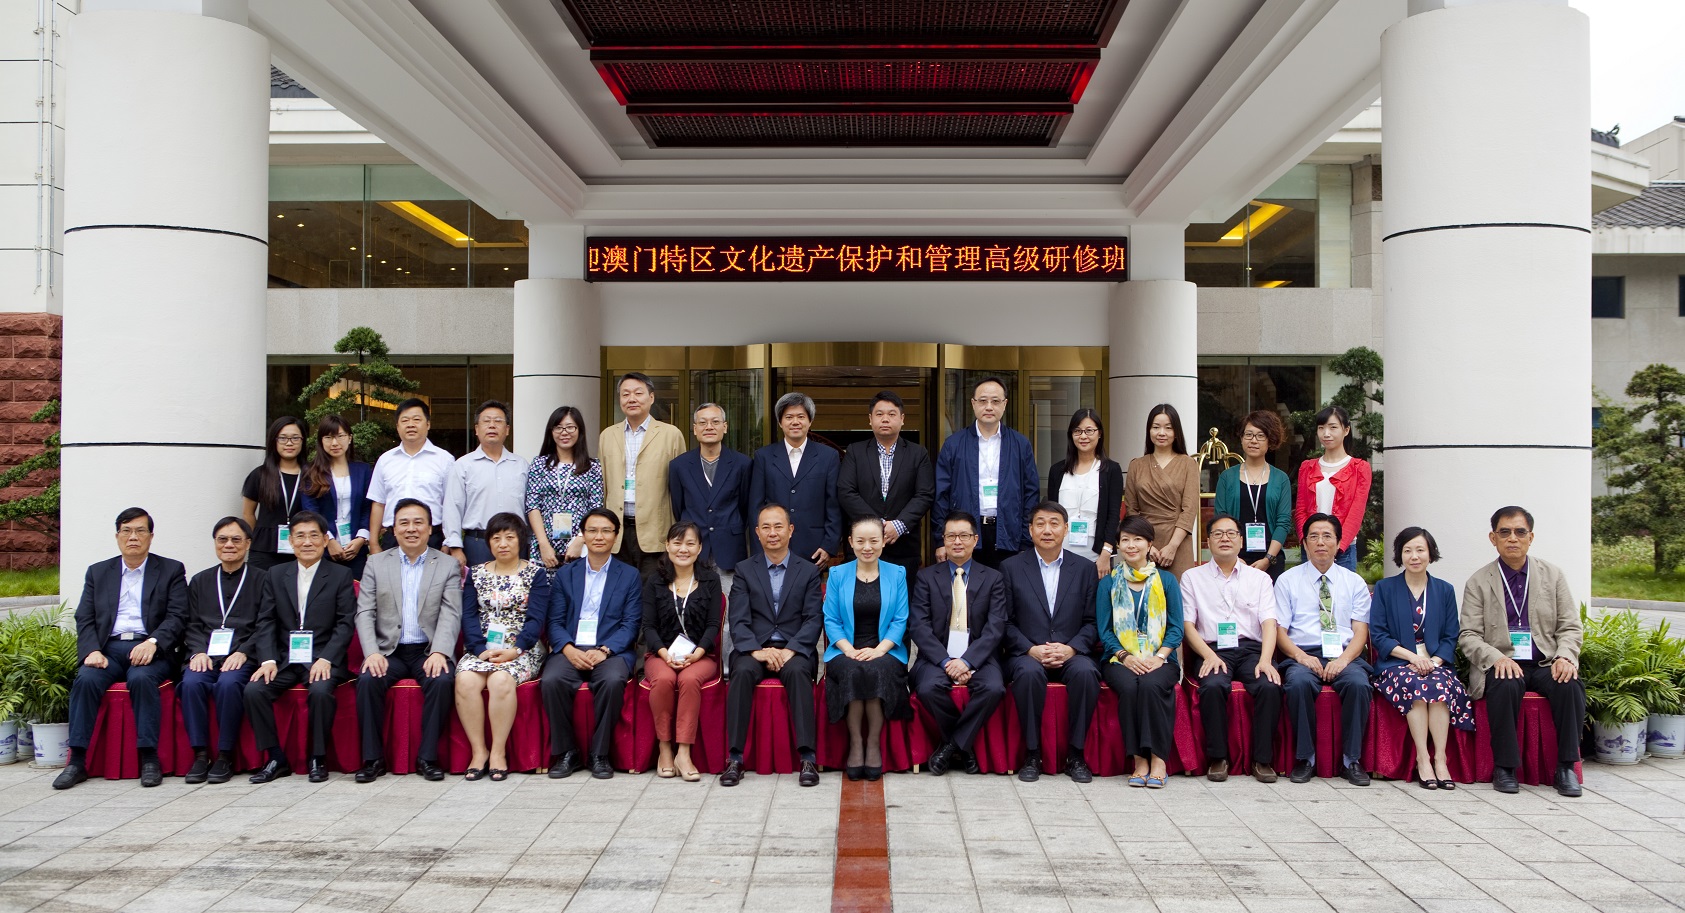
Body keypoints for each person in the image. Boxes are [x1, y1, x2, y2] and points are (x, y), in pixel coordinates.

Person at [55, 508, 189, 790]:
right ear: (117, 536)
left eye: (140, 531)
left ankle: (149, 759)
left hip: (151, 648)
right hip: (109, 648)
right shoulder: (98, 572)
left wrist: (153, 642)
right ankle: (77, 761)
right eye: (126, 531)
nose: (133, 537)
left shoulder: (171, 570)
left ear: (151, 536)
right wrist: (91, 650)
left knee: (142, 678)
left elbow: (178, 616)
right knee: (86, 679)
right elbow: (85, 617)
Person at [1459, 506, 1584, 798]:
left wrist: (1565, 657)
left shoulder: (1553, 575)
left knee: (1570, 685)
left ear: (1531, 537)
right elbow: (1469, 635)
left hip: (1545, 662)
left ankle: (1566, 767)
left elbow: (1570, 626)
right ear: (1493, 538)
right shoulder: (1479, 581)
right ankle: (1505, 768)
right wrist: (1496, 658)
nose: (1512, 538)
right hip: (1502, 662)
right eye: (1504, 532)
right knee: (1505, 684)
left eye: (1519, 532)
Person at [244, 510, 357, 784]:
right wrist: (268, 659)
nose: (307, 542)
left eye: (314, 536)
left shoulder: (341, 575)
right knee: (253, 690)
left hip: (322, 658)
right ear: (291, 541)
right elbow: (266, 620)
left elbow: (345, 623)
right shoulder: (275, 574)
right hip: (284, 658)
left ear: (325, 540)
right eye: (300, 536)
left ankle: (318, 757)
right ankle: (275, 757)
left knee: (320, 691)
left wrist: (327, 658)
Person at [354, 498, 461, 782]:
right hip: (388, 651)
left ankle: (427, 758)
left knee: (442, 681)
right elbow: (364, 612)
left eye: (418, 523)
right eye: (404, 523)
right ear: (393, 529)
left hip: (427, 650)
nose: (411, 529)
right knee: (368, 680)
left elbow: (451, 613)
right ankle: (373, 759)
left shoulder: (447, 564)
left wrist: (440, 651)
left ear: (430, 528)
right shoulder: (376, 563)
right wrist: (372, 653)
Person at [720, 503, 825, 788]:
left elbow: (813, 618)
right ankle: (735, 758)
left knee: (798, 672)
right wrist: (757, 650)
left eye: (778, 526)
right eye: (766, 527)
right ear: (757, 532)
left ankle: (807, 757)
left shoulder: (808, 571)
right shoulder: (744, 570)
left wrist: (791, 649)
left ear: (791, 530)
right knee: (741, 672)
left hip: (794, 649)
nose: (772, 533)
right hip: (755, 648)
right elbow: (738, 618)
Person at [1000, 501, 1101, 783]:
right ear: (1030, 530)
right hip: (1027, 653)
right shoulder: (1010, 567)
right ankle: (1032, 754)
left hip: (1071, 651)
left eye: (1054, 524)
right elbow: (1004, 622)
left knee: (1086, 672)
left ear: (1066, 529)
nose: (1047, 530)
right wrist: (1030, 649)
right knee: (1028, 674)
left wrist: (1071, 648)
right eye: (1040, 524)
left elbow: (1092, 621)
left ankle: (1076, 754)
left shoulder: (1085, 569)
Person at [540, 507, 642, 780]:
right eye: (593, 530)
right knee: (552, 680)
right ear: (583, 535)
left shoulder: (629, 575)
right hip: (571, 647)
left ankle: (600, 753)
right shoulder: (566, 574)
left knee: (612, 681)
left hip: (610, 650)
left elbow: (631, 623)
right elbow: (554, 621)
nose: (599, 536)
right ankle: (567, 753)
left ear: (616, 536)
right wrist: (568, 649)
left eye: (606, 531)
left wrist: (605, 650)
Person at [1180, 513, 1283, 783]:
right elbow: (1188, 625)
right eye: (1218, 534)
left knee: (1269, 686)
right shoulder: (1192, 577)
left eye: (1231, 533)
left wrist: (1266, 660)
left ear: (1241, 541)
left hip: (1251, 650)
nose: (1224, 538)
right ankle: (1218, 758)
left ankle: (1262, 760)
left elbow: (1269, 623)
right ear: (1208, 542)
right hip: (1212, 649)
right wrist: (1208, 655)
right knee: (1213, 686)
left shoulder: (1259, 578)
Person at [1273, 512, 1373, 785]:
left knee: (1358, 685)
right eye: (1313, 536)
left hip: (1344, 654)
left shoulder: (1354, 582)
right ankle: (1305, 758)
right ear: (1304, 543)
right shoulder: (1287, 580)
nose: (1320, 542)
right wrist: (1301, 657)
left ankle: (1351, 761)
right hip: (1303, 653)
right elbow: (1280, 631)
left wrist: (1343, 660)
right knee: (1298, 684)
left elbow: (1360, 632)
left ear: (1339, 543)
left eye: (1327, 536)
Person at [1371, 526, 1473, 791]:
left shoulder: (1445, 590)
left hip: (1436, 662)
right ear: (1399, 555)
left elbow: (1451, 636)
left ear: (1430, 553)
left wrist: (1434, 662)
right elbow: (1379, 635)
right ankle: (1423, 758)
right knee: (1415, 684)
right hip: (1396, 662)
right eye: (1407, 550)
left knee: (1439, 684)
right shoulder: (1385, 588)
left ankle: (1441, 759)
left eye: (1420, 550)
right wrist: (1412, 659)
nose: (1414, 556)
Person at [908, 512, 1008, 777]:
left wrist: (967, 661)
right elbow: (919, 626)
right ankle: (965, 747)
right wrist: (945, 661)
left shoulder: (993, 578)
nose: (957, 542)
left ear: (975, 539)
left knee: (994, 688)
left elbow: (996, 627)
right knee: (927, 688)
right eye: (951, 536)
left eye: (964, 536)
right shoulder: (926, 577)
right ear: (943, 540)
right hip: (936, 657)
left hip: (979, 657)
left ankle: (951, 745)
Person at [456, 511, 549, 781]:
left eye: (509, 537)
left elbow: (536, 619)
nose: (503, 544)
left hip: (521, 649)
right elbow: (469, 616)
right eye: (496, 538)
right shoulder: (476, 574)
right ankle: (479, 752)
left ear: (521, 540)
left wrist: (516, 649)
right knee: (465, 681)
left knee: (500, 680)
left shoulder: (535, 573)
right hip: (482, 648)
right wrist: (479, 650)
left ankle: (498, 752)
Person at [823, 518, 912, 781]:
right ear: (851, 543)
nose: (867, 547)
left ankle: (873, 743)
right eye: (860, 541)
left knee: (874, 670)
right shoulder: (838, 574)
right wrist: (848, 650)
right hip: (845, 649)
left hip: (886, 649)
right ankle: (856, 743)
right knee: (852, 670)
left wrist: (879, 650)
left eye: (874, 541)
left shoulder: (897, 574)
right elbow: (831, 620)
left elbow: (900, 619)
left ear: (883, 542)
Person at [1098, 515, 1183, 788]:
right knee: (1129, 686)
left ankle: (1158, 759)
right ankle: (1139, 760)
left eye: (1138, 539)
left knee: (1150, 685)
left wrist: (1159, 658)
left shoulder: (1167, 581)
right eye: (1125, 540)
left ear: (1149, 544)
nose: (1131, 545)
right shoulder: (1108, 583)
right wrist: (1126, 657)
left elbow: (1176, 628)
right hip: (1118, 659)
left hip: (1162, 659)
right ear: (1118, 545)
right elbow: (1105, 630)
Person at [180, 517, 263, 785]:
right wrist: (197, 652)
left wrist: (245, 652)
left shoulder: (263, 579)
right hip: (206, 654)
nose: (229, 545)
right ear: (215, 543)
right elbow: (191, 624)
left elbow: (266, 623)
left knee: (229, 684)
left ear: (248, 544)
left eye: (236, 539)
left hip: (241, 655)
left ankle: (225, 755)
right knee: (191, 682)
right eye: (222, 539)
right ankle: (200, 755)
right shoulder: (200, 580)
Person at [642, 521, 723, 782]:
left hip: (700, 655)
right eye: (677, 543)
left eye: (690, 543)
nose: (683, 549)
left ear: (699, 548)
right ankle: (665, 747)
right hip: (661, 654)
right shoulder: (654, 581)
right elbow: (648, 626)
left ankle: (684, 752)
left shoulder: (710, 580)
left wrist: (698, 652)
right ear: (667, 546)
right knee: (664, 678)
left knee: (688, 679)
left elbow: (713, 625)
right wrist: (663, 653)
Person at [935, 377, 1039, 570]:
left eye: (995, 401)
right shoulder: (954, 444)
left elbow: (1031, 494)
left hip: (1009, 533)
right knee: (966, 586)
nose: (989, 407)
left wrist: (1026, 540)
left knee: (1006, 586)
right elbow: (941, 495)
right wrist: (940, 540)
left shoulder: (1020, 444)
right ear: (973, 404)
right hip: (964, 533)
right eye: (983, 401)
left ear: (1005, 404)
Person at [599, 372, 686, 577]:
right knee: (619, 589)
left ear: (651, 397)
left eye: (638, 393)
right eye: (625, 394)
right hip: (617, 531)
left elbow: (681, 487)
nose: (631, 399)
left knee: (652, 590)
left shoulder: (671, 434)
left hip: (656, 531)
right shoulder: (607, 435)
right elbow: (603, 486)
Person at [837, 391, 934, 574]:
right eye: (879, 414)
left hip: (904, 547)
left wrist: (899, 525)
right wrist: (876, 524)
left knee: (903, 592)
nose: (885, 419)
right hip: (863, 546)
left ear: (902, 419)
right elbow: (846, 491)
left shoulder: (918, 453)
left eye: (891, 414)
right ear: (870, 419)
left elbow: (924, 494)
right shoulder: (855, 452)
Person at [752, 391, 842, 566]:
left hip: (814, 548)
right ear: (780, 422)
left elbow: (834, 505)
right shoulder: (764, 456)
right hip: (772, 546)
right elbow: (755, 505)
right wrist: (759, 547)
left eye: (801, 416)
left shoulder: (828, 456)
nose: (795, 422)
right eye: (789, 417)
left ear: (810, 421)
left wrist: (829, 545)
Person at [669, 402, 752, 590]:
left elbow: (745, 507)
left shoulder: (742, 464)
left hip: (729, 547)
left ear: (725, 427)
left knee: (729, 604)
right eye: (703, 422)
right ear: (695, 429)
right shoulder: (679, 466)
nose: (709, 427)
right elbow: (678, 506)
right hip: (693, 547)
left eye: (715, 422)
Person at [444, 400, 528, 568]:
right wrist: (455, 547)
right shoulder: (463, 465)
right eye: (486, 421)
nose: (492, 426)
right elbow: (452, 507)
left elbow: (530, 508)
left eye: (498, 421)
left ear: (507, 429)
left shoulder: (521, 465)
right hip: (478, 544)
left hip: (516, 543)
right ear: (476, 429)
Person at [368, 398, 454, 552]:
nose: (410, 425)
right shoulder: (385, 460)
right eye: (405, 420)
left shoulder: (445, 460)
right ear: (397, 426)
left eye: (416, 419)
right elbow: (379, 503)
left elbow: (451, 504)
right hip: (393, 538)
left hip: (432, 538)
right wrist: (374, 543)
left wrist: (448, 543)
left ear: (428, 424)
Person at [1214, 410, 1292, 580]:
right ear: (1242, 438)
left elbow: (1283, 522)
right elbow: (1220, 518)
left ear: (1270, 440)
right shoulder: (1227, 477)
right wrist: (1234, 558)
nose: (1253, 440)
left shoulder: (1281, 479)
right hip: (1234, 556)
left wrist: (1268, 559)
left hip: (1270, 556)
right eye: (1248, 434)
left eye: (1260, 436)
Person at [1123, 404, 1200, 577]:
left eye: (1168, 428)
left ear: (1176, 432)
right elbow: (1131, 510)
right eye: (1156, 427)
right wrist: (1146, 545)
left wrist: (1172, 546)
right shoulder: (1136, 465)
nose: (1161, 433)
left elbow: (1189, 510)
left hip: (1178, 541)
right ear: (1149, 430)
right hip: (1143, 543)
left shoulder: (1188, 464)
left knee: (1177, 591)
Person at [1293, 405, 1372, 572]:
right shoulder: (1307, 467)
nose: (1326, 433)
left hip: (1343, 550)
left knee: (1341, 590)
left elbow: (1356, 513)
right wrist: (1306, 542)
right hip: (1311, 548)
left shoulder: (1360, 468)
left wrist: (1338, 547)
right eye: (1321, 428)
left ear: (1346, 430)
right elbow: (1300, 509)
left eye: (1333, 427)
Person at [523, 405, 604, 569]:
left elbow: (596, 508)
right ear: (551, 431)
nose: (564, 432)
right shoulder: (539, 464)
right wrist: (543, 544)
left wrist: (580, 540)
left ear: (579, 430)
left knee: (577, 584)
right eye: (558, 427)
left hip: (580, 546)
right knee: (544, 584)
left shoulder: (593, 467)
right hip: (545, 546)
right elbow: (533, 505)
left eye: (570, 427)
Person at [1047, 408, 1124, 577]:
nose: (1083, 436)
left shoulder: (1111, 470)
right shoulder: (1057, 470)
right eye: (1078, 431)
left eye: (1089, 431)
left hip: (1097, 556)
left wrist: (1106, 553)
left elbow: (1113, 515)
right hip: (1061, 553)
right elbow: (1051, 513)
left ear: (1099, 433)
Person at [300, 414, 373, 580]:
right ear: (321, 441)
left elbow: (368, 507)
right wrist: (329, 540)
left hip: (355, 550)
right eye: (328, 437)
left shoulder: (362, 470)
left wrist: (361, 538)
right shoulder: (311, 472)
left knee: (355, 592)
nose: (334, 443)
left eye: (340, 436)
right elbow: (311, 511)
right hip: (323, 550)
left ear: (350, 438)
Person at [241, 416, 307, 572]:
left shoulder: (312, 475)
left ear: (303, 441)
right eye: (283, 438)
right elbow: (248, 513)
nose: (289, 443)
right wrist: (255, 538)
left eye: (295, 438)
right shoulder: (260, 475)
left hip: (302, 548)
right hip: (264, 549)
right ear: (274, 441)